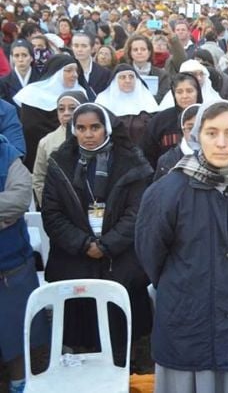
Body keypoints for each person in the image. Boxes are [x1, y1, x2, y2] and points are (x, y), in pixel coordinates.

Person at [136, 100, 228, 393]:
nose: (222, 143)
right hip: (188, 318)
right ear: (196, 135)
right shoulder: (167, 191)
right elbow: (151, 255)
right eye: (212, 133)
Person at [42, 103, 154, 366]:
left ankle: (124, 368)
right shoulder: (60, 161)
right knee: (83, 332)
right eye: (81, 128)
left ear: (107, 128)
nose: (88, 134)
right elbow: (52, 213)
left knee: (122, 334)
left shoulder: (131, 161)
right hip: (75, 258)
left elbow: (137, 212)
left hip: (120, 259)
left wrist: (107, 245)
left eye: (95, 127)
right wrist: (84, 244)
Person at [0, 132, 48, 393]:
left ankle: (21, 385)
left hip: (11, 265)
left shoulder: (7, 156)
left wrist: (7, 216)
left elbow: (18, 199)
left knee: (19, 338)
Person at [13, 54, 90, 170]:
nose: (74, 75)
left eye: (76, 71)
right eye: (68, 70)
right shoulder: (33, 94)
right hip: (39, 152)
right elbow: (30, 128)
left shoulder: (80, 92)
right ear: (56, 73)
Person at [31, 91, 88, 205]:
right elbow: (39, 178)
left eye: (72, 108)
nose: (66, 113)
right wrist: (49, 206)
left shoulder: (94, 138)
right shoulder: (46, 142)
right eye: (61, 109)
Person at [141, 73, 203, 167]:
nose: (185, 96)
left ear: (198, 92)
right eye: (179, 92)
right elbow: (147, 152)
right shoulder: (161, 120)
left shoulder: (209, 117)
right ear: (174, 94)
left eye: (189, 91)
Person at [95, 64, 159, 147]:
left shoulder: (146, 99)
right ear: (115, 80)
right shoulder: (103, 101)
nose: (128, 80)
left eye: (131, 77)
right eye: (122, 77)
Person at [153, 104, 200, 181]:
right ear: (182, 129)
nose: (194, 133)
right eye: (190, 128)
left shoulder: (218, 154)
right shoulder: (167, 160)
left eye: (200, 127)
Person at [123, 34, 171, 102]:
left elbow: (163, 97)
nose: (139, 52)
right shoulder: (122, 73)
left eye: (143, 49)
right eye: (135, 50)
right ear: (130, 53)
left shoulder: (162, 75)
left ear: (149, 52)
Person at [0, 39, 40, 105]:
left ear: (31, 57)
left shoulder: (41, 79)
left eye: (24, 55)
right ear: (12, 58)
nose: (20, 59)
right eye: (16, 56)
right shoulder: (3, 82)